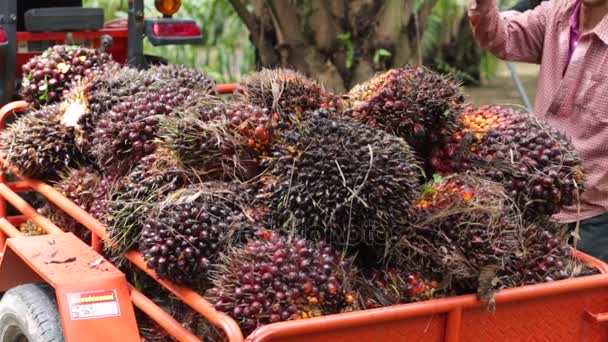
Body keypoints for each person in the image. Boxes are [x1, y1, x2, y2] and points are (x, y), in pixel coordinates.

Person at [467, 0, 608, 262]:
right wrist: (484, 5)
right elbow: (502, 37)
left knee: (588, 300)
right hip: (538, 201)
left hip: (596, 216)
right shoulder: (557, 13)